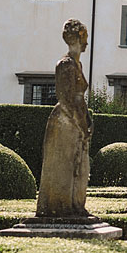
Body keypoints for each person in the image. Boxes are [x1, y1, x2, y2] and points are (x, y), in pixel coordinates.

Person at [36, 19, 92, 218]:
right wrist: (80, 123)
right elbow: (66, 99)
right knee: (66, 165)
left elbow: (78, 99)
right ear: (76, 39)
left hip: (76, 119)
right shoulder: (65, 65)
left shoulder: (77, 64)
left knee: (79, 165)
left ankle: (76, 206)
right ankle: (61, 207)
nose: (87, 42)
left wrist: (86, 120)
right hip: (65, 122)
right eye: (84, 37)